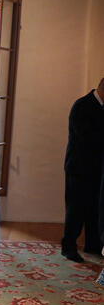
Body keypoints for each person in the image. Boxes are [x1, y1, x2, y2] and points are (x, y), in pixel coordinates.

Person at [61, 77, 104, 262]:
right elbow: (85, 137)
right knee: (76, 209)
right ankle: (68, 247)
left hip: (97, 168)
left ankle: (93, 245)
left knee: (94, 209)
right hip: (78, 167)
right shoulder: (82, 106)